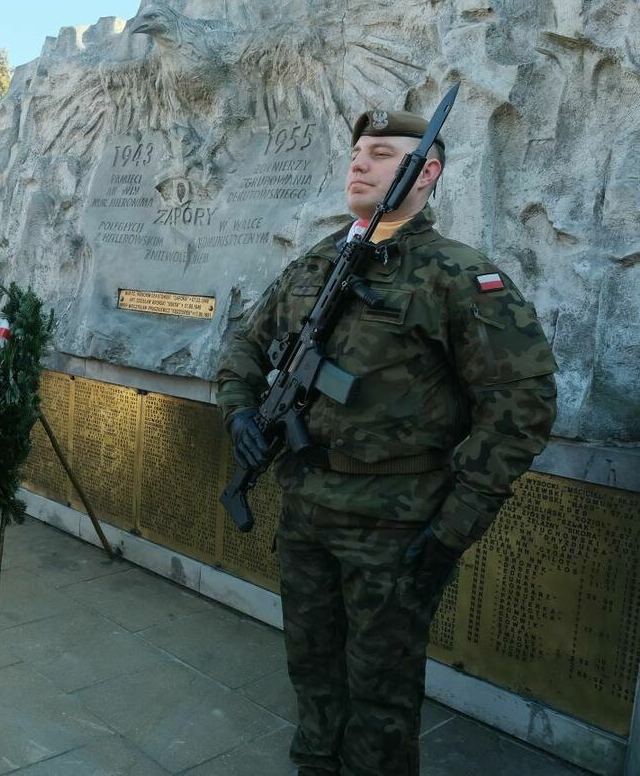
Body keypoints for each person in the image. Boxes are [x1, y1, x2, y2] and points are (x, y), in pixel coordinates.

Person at [215, 109, 558, 776]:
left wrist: (455, 525)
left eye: (380, 152)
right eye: (356, 152)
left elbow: (524, 402)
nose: (359, 163)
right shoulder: (315, 263)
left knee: (381, 700)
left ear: (426, 171)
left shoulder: (456, 275)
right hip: (308, 509)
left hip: (396, 525)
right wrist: (239, 412)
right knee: (312, 670)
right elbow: (245, 346)